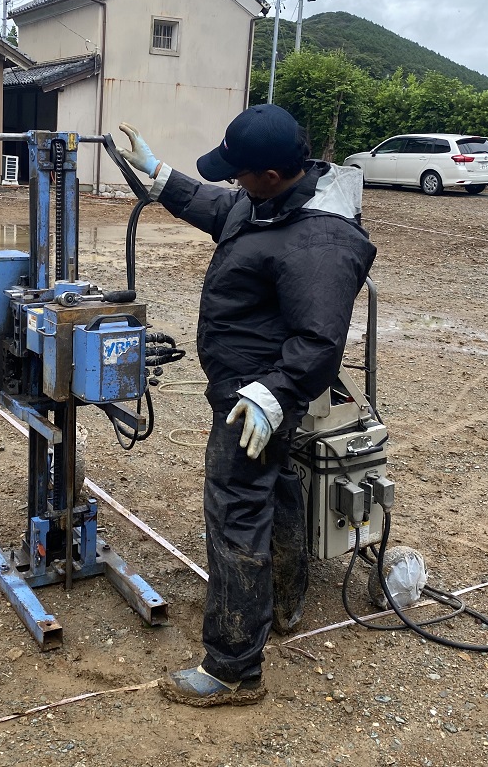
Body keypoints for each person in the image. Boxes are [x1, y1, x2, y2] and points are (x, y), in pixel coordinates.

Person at [116, 104, 377, 707]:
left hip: (254, 400)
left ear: (267, 174)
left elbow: (320, 341)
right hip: (251, 390)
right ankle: (284, 599)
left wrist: (272, 394)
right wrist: (161, 178)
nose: (232, 180)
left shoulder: (320, 239)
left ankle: (234, 666)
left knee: (236, 511)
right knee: (278, 486)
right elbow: (221, 208)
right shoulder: (269, 203)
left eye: (239, 172)